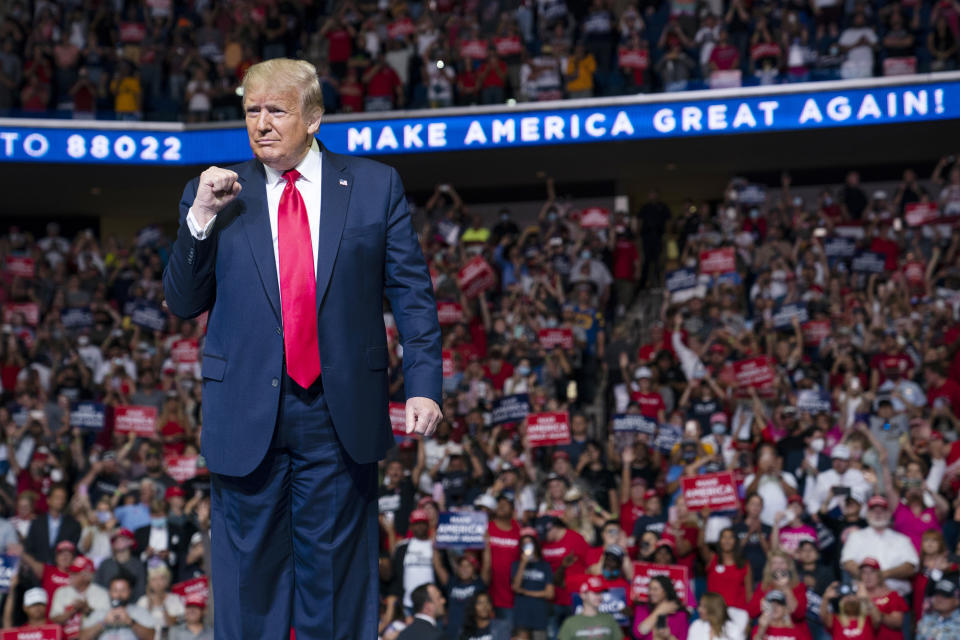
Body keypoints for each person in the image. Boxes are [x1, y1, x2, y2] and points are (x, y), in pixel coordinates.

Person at [162, 57, 442, 639]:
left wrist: (423, 386)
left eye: (276, 110)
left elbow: (412, 294)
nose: (261, 123)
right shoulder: (213, 191)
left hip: (337, 412)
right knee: (247, 586)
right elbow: (185, 302)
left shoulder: (374, 185)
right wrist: (200, 218)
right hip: (245, 411)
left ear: (314, 117)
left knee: (336, 585)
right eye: (251, 111)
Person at [78, 574, 155, 640]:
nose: (119, 594)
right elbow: (82, 638)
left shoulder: (139, 612)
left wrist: (130, 622)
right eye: (115, 590)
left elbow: (152, 637)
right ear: (109, 592)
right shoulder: (99, 612)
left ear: (129, 591)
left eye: (123, 590)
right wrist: (104, 623)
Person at [511, 527, 554, 640]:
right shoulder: (516, 565)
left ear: (535, 545)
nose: (527, 546)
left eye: (530, 543)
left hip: (539, 616)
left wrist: (525, 592)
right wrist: (523, 564)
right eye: (524, 544)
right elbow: (515, 587)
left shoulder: (545, 566)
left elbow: (549, 593)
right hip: (521, 617)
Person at [558, 576, 624, 640]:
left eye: (601, 592)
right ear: (583, 595)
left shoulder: (609, 619)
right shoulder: (570, 623)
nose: (599, 596)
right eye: (596, 592)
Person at [633, 575, 689, 640]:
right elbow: (639, 633)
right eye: (649, 589)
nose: (650, 592)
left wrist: (668, 636)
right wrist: (659, 610)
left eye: (655, 589)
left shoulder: (680, 615)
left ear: (666, 591)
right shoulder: (642, 608)